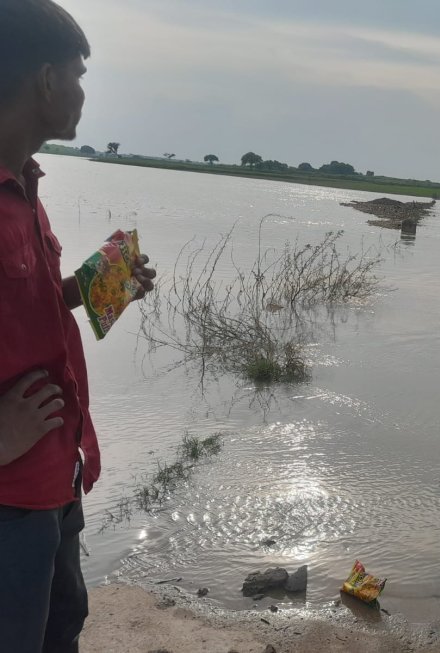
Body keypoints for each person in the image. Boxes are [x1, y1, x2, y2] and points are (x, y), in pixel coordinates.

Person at [0, 2, 156, 651]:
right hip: (10, 498)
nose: (83, 92)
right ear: (44, 80)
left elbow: (19, 307)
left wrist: (90, 289)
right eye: (78, 74)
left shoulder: (26, 186)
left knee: (61, 626)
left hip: (57, 477)